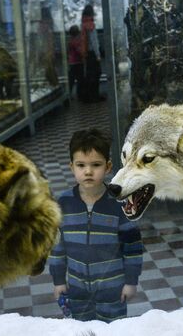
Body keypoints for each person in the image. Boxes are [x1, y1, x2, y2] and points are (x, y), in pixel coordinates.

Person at [49, 129, 143, 322]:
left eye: (96, 165)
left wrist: (131, 282)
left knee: (114, 331)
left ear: (108, 167)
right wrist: (58, 281)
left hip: (113, 292)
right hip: (77, 293)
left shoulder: (119, 203)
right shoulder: (64, 203)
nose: (88, 171)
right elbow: (57, 248)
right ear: (71, 167)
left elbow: (133, 249)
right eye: (81, 165)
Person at [79, 5, 103, 102]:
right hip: (92, 53)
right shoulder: (90, 24)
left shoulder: (83, 23)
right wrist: (98, 55)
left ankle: (88, 96)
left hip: (87, 54)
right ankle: (94, 96)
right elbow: (94, 41)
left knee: (89, 75)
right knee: (96, 74)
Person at [67, 25, 84, 99]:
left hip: (71, 62)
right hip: (78, 62)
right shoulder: (76, 41)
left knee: (71, 80)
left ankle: (69, 94)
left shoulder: (70, 40)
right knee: (80, 79)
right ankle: (80, 94)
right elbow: (79, 51)